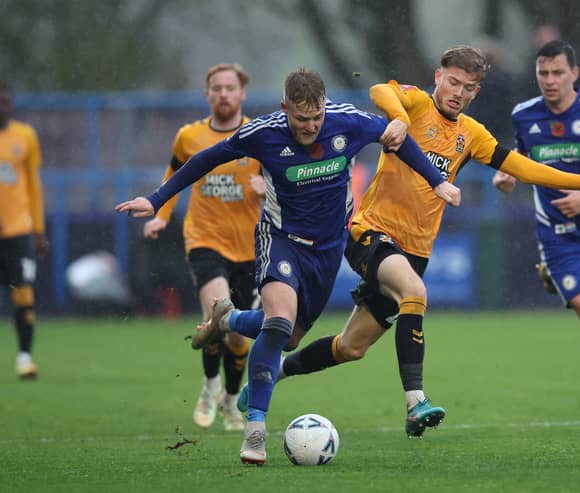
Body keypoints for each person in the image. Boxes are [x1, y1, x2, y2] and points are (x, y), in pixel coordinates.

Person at [214, 46, 580, 440]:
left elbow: (521, 166)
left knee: (350, 347)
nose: (458, 92)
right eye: (453, 81)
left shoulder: (471, 135)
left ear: (476, 92)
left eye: (469, 87)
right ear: (439, 77)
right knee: (414, 292)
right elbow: (378, 90)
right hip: (370, 233)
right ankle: (415, 401)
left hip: (416, 252)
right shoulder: (417, 105)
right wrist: (399, 118)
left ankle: (275, 369)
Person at [116, 67, 462, 465]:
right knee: (279, 325)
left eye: (316, 118)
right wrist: (156, 200)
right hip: (281, 240)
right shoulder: (263, 133)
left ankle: (228, 320)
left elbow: (396, 139)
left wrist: (437, 181)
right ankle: (256, 429)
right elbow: (205, 159)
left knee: (292, 336)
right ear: (285, 109)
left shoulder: (348, 122)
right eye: (301, 119)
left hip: (328, 250)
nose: (311, 127)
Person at [143, 64, 264, 431]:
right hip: (205, 238)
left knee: (241, 337)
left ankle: (229, 399)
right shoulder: (189, 136)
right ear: (207, 94)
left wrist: (267, 186)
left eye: (230, 87)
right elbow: (174, 176)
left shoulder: (260, 135)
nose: (224, 93)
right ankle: (210, 386)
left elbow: (283, 180)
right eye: (216, 88)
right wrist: (161, 215)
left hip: (251, 246)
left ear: (243, 93)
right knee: (216, 318)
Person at [493, 40, 580, 395]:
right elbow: (518, 157)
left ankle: (557, 278)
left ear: (574, 74)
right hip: (559, 236)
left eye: (557, 72)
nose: (549, 80)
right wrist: (507, 176)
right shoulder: (524, 115)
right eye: (542, 73)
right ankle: (560, 270)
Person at [0, 83, 49, 379]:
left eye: (6, 102)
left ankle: (24, 357)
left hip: (19, 231)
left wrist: (39, 230)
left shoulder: (25, 136)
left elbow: (33, 185)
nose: (3, 107)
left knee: (24, 294)